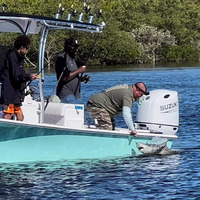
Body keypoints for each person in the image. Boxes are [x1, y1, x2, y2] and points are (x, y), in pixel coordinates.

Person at [0, 35, 37, 121]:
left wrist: (28, 76)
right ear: (21, 47)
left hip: (16, 92)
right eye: (26, 48)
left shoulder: (19, 58)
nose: (27, 50)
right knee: (8, 115)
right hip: (9, 92)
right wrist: (29, 76)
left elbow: (20, 72)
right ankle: (7, 132)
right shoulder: (12, 56)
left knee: (20, 116)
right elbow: (16, 74)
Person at [55, 38, 89, 104]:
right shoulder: (62, 59)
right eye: (75, 47)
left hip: (73, 95)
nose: (77, 49)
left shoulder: (73, 59)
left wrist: (82, 79)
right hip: (65, 94)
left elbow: (72, 76)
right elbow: (64, 78)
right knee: (76, 112)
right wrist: (79, 70)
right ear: (69, 47)